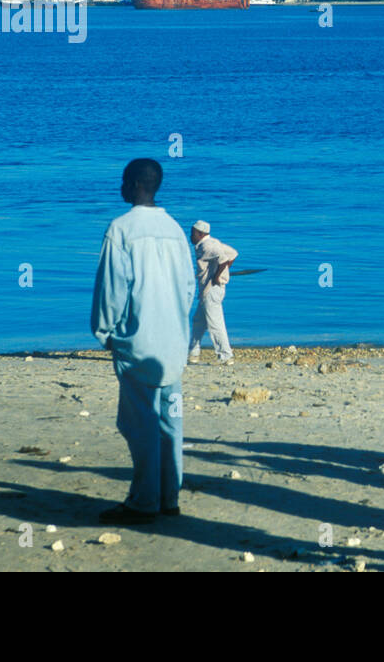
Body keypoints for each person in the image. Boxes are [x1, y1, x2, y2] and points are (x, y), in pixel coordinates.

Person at [91, 158, 196, 525]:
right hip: (173, 341)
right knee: (170, 422)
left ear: (136, 184)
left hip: (137, 341)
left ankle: (144, 502)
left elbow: (112, 289)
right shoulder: (175, 229)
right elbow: (188, 288)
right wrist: (181, 330)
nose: (119, 186)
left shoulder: (121, 229)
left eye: (123, 181)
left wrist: (105, 332)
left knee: (141, 425)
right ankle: (170, 496)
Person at [188, 220, 238, 365]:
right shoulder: (214, 242)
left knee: (215, 323)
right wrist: (223, 271)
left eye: (192, 233)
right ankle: (193, 353)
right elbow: (232, 254)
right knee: (198, 321)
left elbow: (223, 259)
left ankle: (226, 355)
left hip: (211, 290)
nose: (190, 236)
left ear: (200, 233)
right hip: (207, 291)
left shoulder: (206, 246)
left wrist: (217, 275)